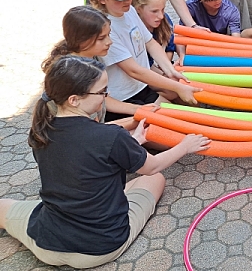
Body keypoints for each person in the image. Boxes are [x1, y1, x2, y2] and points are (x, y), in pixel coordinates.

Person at [0, 55, 210, 268]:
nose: (105, 97)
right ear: (74, 99)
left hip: (46, 241)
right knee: (155, 178)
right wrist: (185, 146)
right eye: (102, 92)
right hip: (101, 246)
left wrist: (134, 141)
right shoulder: (110, 136)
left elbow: (82, 157)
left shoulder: (40, 131)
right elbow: (152, 166)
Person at [85, 0, 200, 121]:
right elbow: (133, 70)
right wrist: (178, 87)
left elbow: (150, 43)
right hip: (123, 98)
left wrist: (170, 71)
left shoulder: (129, 11)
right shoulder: (104, 28)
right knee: (175, 124)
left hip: (142, 87)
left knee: (185, 116)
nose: (128, 0)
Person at [42, 6, 145, 128]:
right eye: (101, 38)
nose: (109, 42)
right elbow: (93, 130)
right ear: (81, 40)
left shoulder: (91, 57)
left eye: (109, 35)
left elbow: (103, 100)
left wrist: (138, 110)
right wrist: (140, 116)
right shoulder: (76, 73)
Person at [132, 0, 183, 74]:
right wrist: (164, 75)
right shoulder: (133, 30)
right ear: (138, 9)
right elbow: (145, 66)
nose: (161, 16)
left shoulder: (165, 20)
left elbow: (169, 47)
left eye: (162, 9)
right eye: (154, 11)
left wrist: (165, 67)